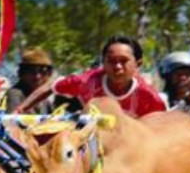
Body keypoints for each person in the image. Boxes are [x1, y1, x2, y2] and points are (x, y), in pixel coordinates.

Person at [16, 35, 166, 117]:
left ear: (138, 64)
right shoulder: (85, 81)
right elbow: (50, 86)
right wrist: (19, 111)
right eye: (111, 61)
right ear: (103, 63)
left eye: (124, 61)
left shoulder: (150, 97)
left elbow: (162, 132)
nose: (117, 67)